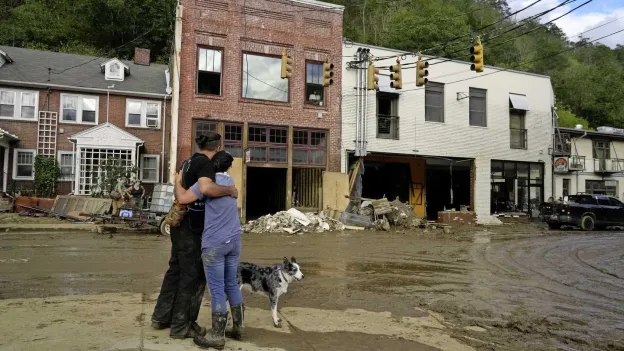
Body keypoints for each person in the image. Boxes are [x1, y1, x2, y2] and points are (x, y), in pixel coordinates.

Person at [151, 132, 237, 339]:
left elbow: (179, 188)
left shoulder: (188, 162)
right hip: (193, 229)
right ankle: (182, 326)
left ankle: (161, 317)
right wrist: (229, 190)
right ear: (217, 148)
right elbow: (206, 188)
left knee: (175, 271)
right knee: (194, 276)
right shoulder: (205, 165)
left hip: (179, 226)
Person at [175, 150, 243, 350]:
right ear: (228, 166)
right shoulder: (231, 183)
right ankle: (239, 328)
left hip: (215, 243)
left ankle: (217, 336)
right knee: (231, 283)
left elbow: (183, 199)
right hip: (234, 241)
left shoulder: (206, 185)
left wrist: (178, 180)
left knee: (216, 289)